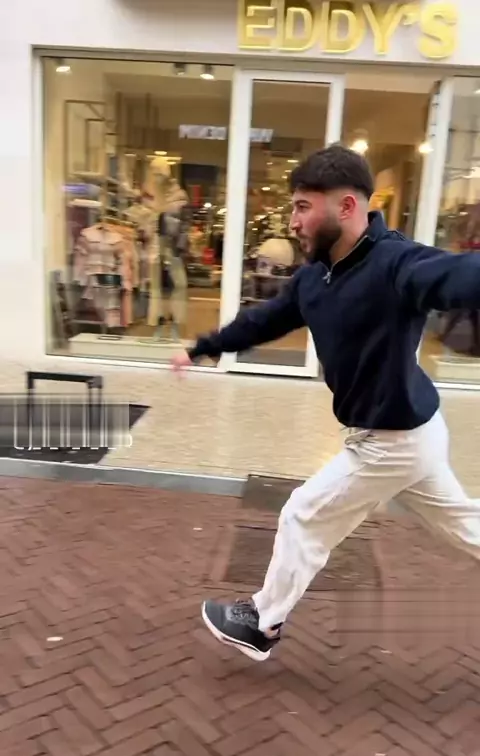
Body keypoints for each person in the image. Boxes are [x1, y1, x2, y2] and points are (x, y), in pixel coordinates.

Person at [171, 143, 480, 663]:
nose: (292, 221)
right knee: (464, 525)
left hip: (393, 441)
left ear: (347, 206)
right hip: (416, 432)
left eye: (302, 207)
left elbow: (458, 275)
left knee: (303, 515)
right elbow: (265, 320)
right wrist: (204, 346)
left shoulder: (396, 263)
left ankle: (261, 622)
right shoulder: (315, 276)